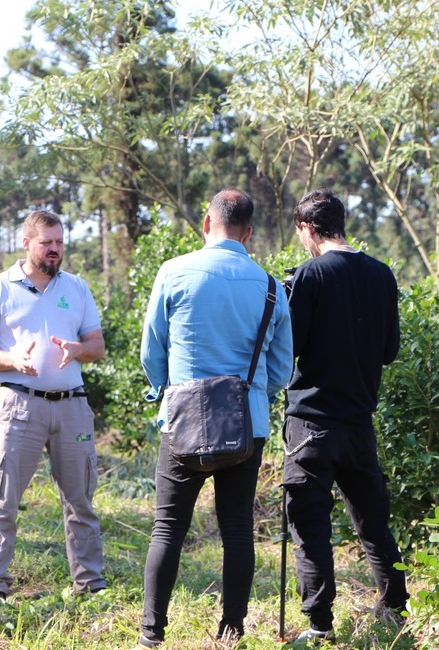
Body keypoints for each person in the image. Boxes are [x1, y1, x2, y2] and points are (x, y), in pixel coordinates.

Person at [137, 189, 294, 647]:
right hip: (246, 424)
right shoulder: (269, 286)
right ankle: (232, 631)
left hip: (181, 421)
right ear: (249, 233)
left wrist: (166, 392)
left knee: (167, 528)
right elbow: (282, 368)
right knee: (238, 528)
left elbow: (152, 350)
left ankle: (151, 633)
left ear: (207, 224)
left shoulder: (173, 272)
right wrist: (251, 393)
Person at [281, 189, 409, 644]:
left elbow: (288, 348)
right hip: (359, 423)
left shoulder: (311, 274)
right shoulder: (381, 274)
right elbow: (390, 350)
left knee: (310, 522)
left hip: (311, 423)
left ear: (307, 229)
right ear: (341, 223)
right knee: (373, 521)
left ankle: (319, 625)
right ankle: (395, 608)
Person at [0, 209, 107, 600]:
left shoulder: (76, 288)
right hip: (19, 405)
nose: (55, 249)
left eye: (60, 242)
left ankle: (90, 584)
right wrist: (13, 359)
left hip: (71, 405)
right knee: (3, 497)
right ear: (26, 243)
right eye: (47, 242)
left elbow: (97, 346)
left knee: (81, 499)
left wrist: (80, 348)